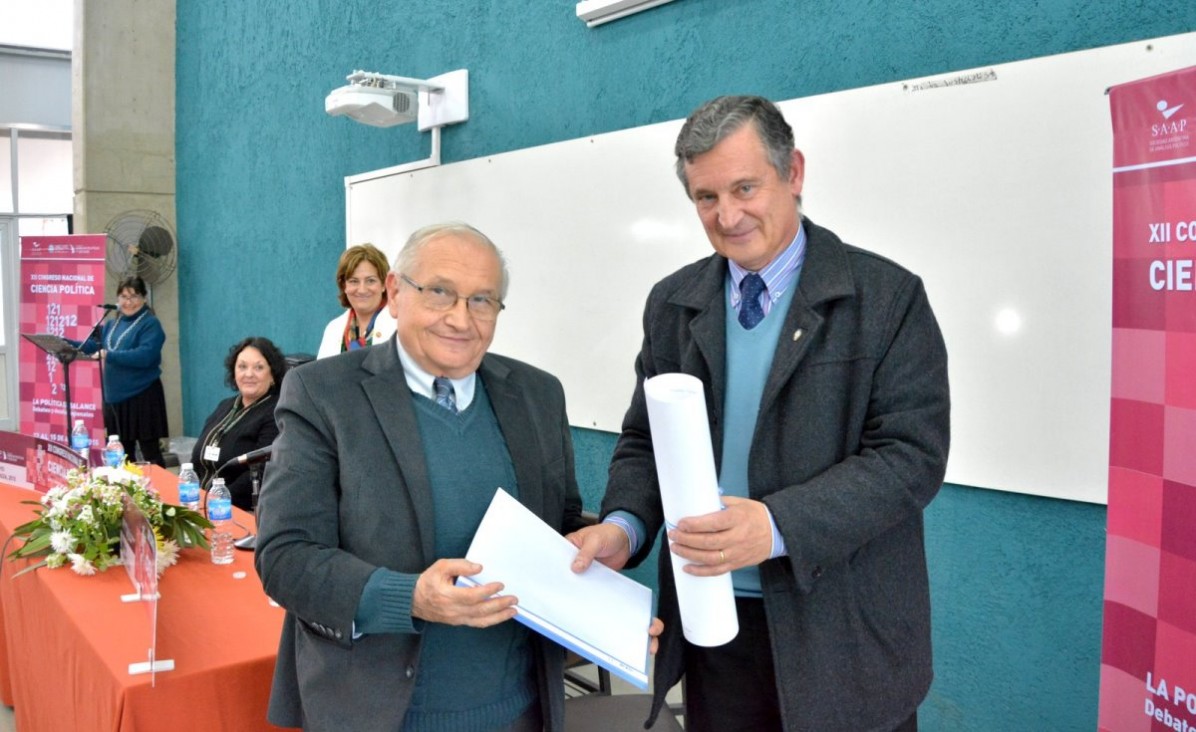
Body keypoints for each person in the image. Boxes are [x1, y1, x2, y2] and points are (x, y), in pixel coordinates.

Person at [569, 96, 951, 731]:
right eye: (706, 197)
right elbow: (643, 440)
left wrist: (775, 526)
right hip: (714, 624)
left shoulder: (887, 298)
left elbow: (910, 458)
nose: (728, 215)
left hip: (842, 631)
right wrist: (625, 527)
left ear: (793, 172)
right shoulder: (673, 303)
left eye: (745, 187)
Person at [256, 223, 658, 731]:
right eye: (441, 292)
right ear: (396, 294)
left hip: (518, 710)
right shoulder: (322, 394)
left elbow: (554, 534)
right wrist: (410, 598)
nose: (461, 319)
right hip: (379, 713)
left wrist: (606, 616)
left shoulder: (537, 395)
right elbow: (286, 555)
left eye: (483, 300)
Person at [72, 275, 169, 466]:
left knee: (150, 454)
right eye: (124, 296)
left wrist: (109, 355)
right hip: (115, 400)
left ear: (144, 298)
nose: (128, 302)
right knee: (121, 456)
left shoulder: (150, 324)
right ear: (117, 298)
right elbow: (93, 345)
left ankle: (161, 493)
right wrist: (66, 344)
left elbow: (145, 356)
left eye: (133, 296)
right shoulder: (112, 323)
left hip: (142, 397)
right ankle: (126, 494)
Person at [192, 337, 287, 510]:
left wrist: (216, 502)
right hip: (202, 503)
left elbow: (261, 471)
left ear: (272, 375)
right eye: (242, 366)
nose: (248, 374)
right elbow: (197, 456)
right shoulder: (225, 405)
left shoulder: (276, 412)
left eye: (259, 367)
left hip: (237, 510)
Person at [316, 242, 397, 358]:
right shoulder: (333, 329)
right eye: (354, 281)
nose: (362, 290)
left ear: (384, 284)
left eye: (370, 281)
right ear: (344, 286)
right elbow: (320, 375)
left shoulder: (401, 326)